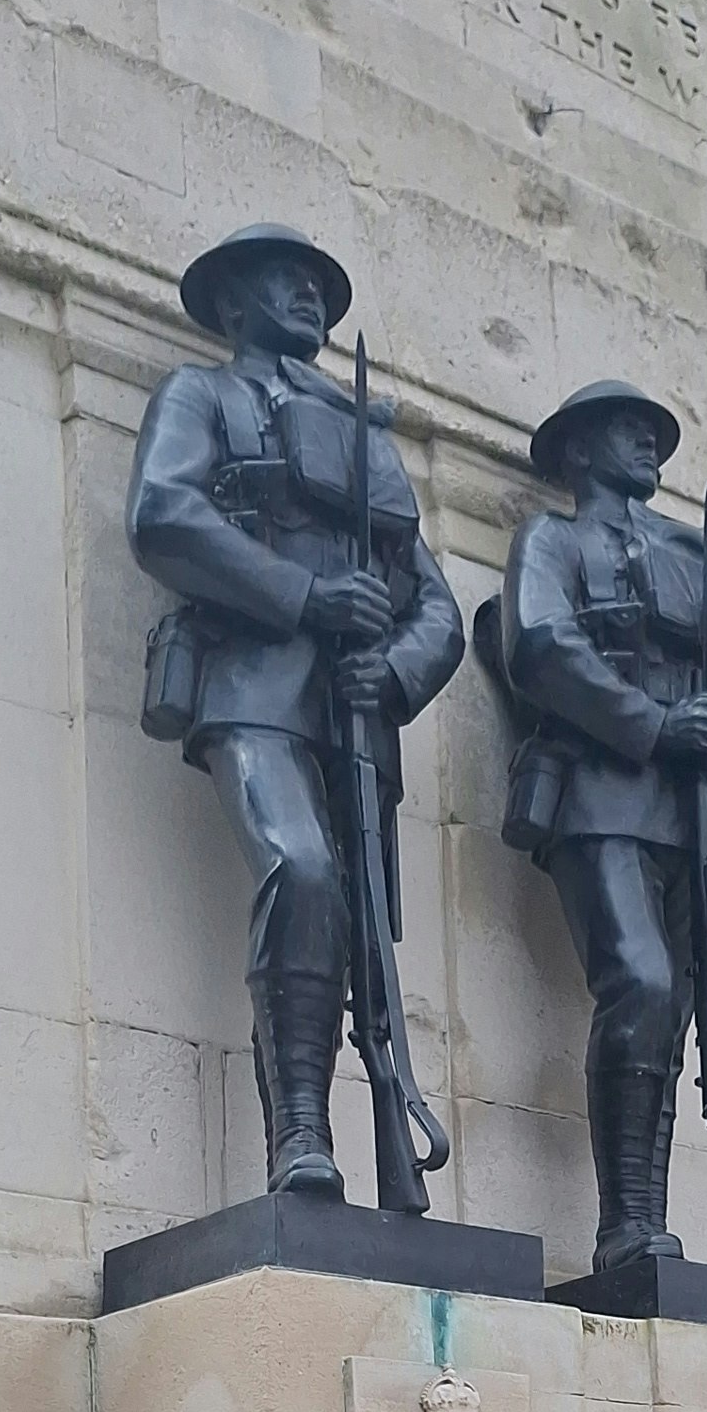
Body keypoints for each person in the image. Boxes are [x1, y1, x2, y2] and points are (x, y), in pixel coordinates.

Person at [126, 222, 465, 1198]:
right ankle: (301, 1137)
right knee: (301, 868)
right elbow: (164, 515)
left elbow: (432, 600)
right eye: (287, 282)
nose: (311, 297)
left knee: (359, 933)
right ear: (234, 303)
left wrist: (399, 669)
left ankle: (359, 1137)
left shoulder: (366, 441)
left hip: (359, 715)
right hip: (252, 684)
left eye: (319, 285)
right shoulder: (205, 396)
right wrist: (304, 597)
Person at [493, 381, 707, 1275]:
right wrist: (655, 726)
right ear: (578, 451)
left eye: (655, 433)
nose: (648, 444)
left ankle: (645, 1222)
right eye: (628, 432)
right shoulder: (556, 540)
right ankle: (625, 1219)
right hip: (600, 797)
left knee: (683, 1016)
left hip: (691, 820)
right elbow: (541, 643)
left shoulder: (697, 564)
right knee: (643, 987)